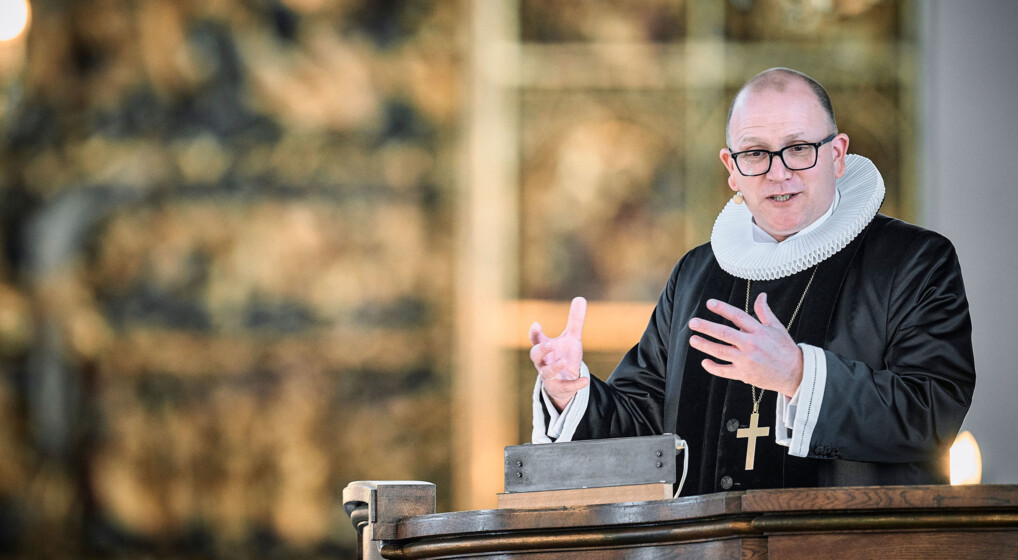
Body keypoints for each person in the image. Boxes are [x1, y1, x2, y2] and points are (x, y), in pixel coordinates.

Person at [528, 67, 975, 496]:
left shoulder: (913, 261)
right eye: (756, 153)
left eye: (799, 148)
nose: (778, 173)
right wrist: (571, 393)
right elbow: (646, 432)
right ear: (731, 167)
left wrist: (799, 376)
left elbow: (932, 413)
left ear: (837, 155)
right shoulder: (696, 275)